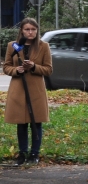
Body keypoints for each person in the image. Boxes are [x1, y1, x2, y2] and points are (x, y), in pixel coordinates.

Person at [4, 18, 53, 166]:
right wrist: (16, 70)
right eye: (27, 29)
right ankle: (22, 153)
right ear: (22, 31)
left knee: (36, 122)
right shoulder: (12, 46)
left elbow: (48, 69)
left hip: (36, 90)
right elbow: (6, 67)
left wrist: (33, 66)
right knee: (21, 123)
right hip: (19, 89)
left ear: (37, 31)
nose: (30, 32)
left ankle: (34, 154)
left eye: (33, 29)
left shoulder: (44, 46)